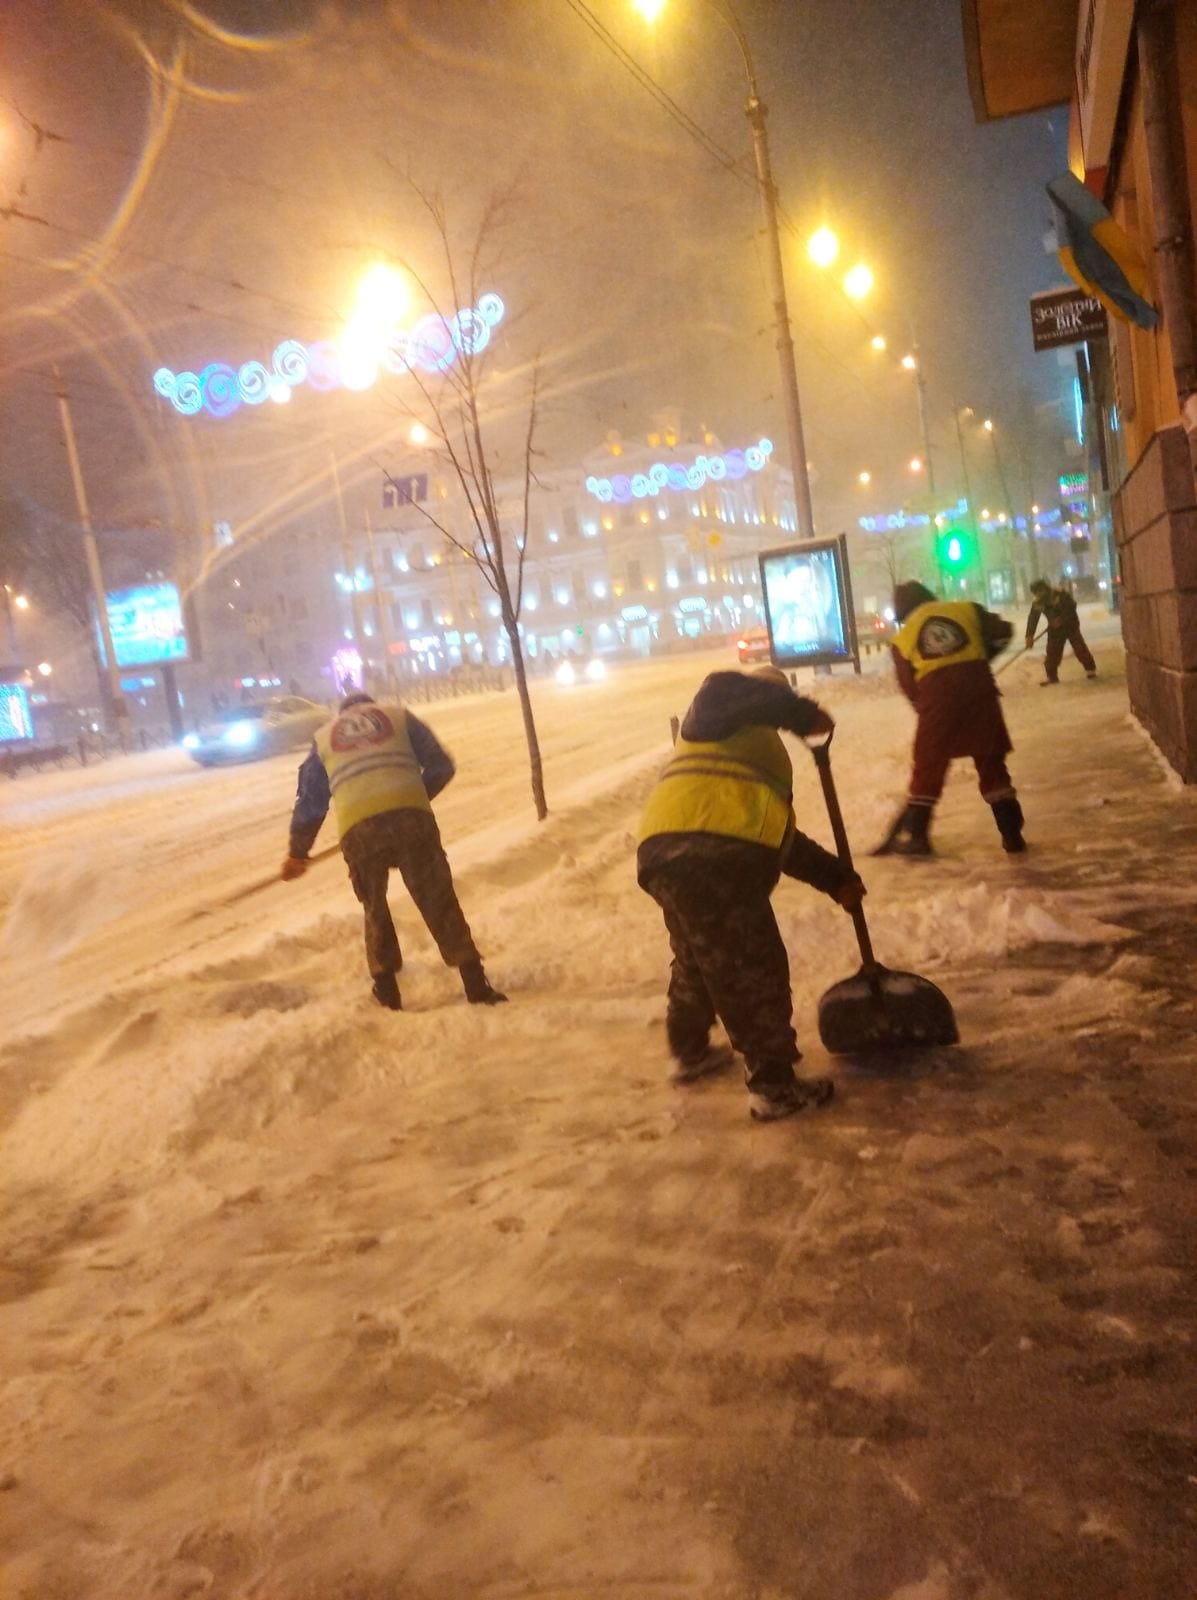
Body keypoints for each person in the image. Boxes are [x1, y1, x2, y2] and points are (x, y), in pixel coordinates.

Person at [637, 665, 865, 1122]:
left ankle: (688, 1051)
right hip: (713, 858)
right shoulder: (713, 714)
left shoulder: (741, 753)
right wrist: (798, 712)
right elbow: (722, 687)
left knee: (699, 960)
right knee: (752, 967)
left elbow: (777, 836)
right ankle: (773, 1086)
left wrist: (835, 878)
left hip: (665, 852)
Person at [280, 691, 505, 1010]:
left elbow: (311, 800)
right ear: (372, 705)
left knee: (374, 907)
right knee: (438, 898)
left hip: (360, 831)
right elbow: (442, 766)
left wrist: (298, 852)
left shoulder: (325, 738)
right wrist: (413, 799)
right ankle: (475, 984)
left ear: (342, 713)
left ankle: (387, 992)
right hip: (413, 821)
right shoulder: (399, 717)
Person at [875, 581, 1025, 857]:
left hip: (937, 700)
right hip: (980, 694)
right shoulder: (967, 610)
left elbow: (909, 686)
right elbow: (1004, 632)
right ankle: (1012, 833)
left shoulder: (903, 638)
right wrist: (980, 658)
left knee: (928, 766)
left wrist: (928, 707)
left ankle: (918, 837)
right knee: (991, 763)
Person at [1025, 578, 1097, 684]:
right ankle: (1051, 676)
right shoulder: (1038, 602)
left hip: (1070, 624)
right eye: (1036, 593)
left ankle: (1090, 669)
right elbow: (1033, 619)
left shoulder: (1060, 594)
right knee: (1052, 651)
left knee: (1079, 647)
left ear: (1045, 588)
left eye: (1040, 591)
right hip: (1054, 629)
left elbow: (1072, 606)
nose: (1039, 595)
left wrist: (1061, 619)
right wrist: (1029, 636)